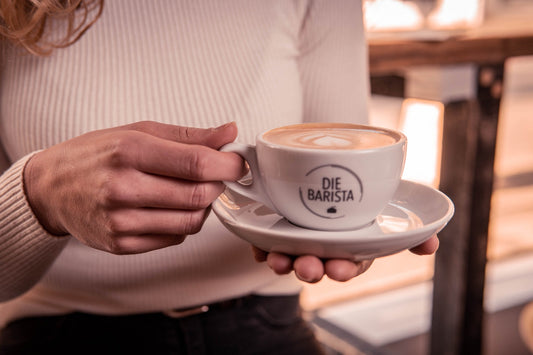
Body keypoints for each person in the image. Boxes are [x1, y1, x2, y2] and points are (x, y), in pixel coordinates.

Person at [0, 0, 439, 354]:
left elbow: (345, 169)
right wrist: (38, 195)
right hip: (58, 330)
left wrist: (352, 235)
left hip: (265, 322)